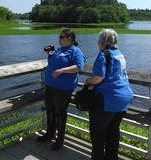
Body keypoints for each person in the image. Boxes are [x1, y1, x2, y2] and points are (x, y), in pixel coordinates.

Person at [84, 29, 133, 160]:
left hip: (108, 100)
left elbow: (98, 78)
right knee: (113, 131)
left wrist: (87, 81)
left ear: (103, 43)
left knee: (97, 134)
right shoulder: (119, 54)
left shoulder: (102, 55)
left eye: (99, 41)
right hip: (124, 98)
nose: (98, 43)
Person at [37, 28, 85, 151]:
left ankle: (60, 139)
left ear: (69, 39)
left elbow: (78, 66)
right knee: (50, 109)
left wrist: (62, 71)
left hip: (63, 88)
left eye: (61, 37)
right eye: (59, 36)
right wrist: (49, 55)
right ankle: (50, 133)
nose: (59, 39)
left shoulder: (75, 51)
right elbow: (53, 61)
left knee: (60, 112)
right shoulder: (59, 50)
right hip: (50, 85)